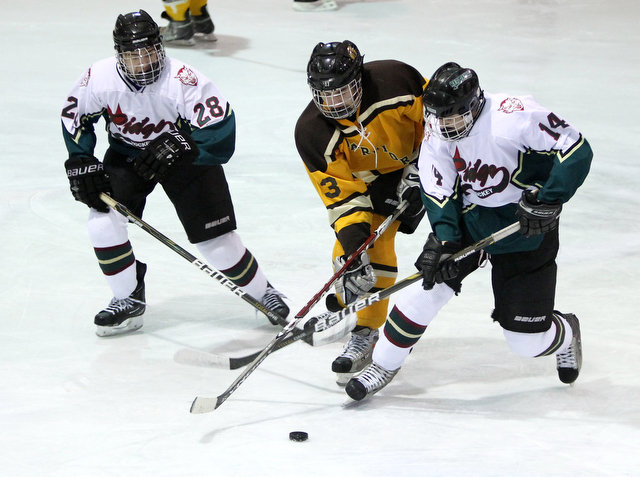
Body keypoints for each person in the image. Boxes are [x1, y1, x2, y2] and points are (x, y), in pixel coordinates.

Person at [345, 62, 593, 401]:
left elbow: (576, 147)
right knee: (427, 286)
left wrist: (550, 200)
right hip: (469, 221)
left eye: (451, 117)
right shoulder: (436, 126)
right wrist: (445, 238)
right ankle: (384, 363)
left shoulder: (513, 115)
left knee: (525, 342)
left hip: (524, 225)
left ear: (473, 105)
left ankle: (565, 333)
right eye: (438, 117)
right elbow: (438, 187)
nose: (443, 126)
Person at [61, 10, 289, 337]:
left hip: (187, 158)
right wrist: (80, 159)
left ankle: (263, 292)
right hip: (128, 155)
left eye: (149, 52)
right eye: (133, 54)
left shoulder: (184, 80)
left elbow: (220, 131)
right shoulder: (98, 78)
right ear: (119, 54)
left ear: (160, 47)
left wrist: (180, 142)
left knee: (216, 242)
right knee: (102, 222)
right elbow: (75, 117)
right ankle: (127, 298)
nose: (143, 62)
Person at [294, 40, 427, 384]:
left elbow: (441, 123)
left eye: (342, 91)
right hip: (369, 182)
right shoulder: (310, 132)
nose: (335, 103)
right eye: (325, 95)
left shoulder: (397, 81)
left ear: (360, 78)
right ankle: (363, 325)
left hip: (419, 165)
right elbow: (342, 198)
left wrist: (427, 172)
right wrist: (354, 244)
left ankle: (363, 321)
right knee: (358, 253)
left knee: (388, 254)